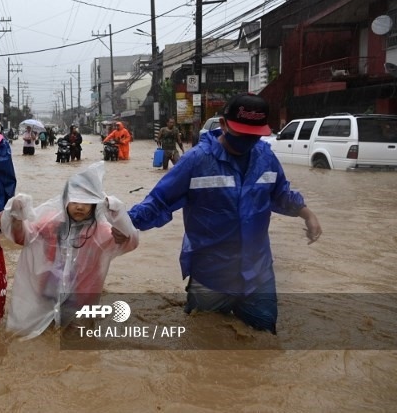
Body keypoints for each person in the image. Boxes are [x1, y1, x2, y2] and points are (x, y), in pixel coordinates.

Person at [126, 94, 322, 334]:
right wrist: (124, 223)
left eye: (255, 134)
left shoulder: (266, 158)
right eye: (242, 133)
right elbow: (158, 202)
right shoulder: (196, 161)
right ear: (223, 124)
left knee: (264, 343)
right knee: (203, 342)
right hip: (211, 274)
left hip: (257, 273)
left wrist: (307, 214)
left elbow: (280, 193)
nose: (249, 141)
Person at [0, 161, 139, 339]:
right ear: (65, 201)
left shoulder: (101, 232)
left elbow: (130, 242)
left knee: (78, 336)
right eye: (75, 200)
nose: (80, 206)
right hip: (49, 290)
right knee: (46, 334)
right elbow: (24, 237)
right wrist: (17, 215)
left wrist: (118, 216)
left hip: (81, 298)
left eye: (86, 202)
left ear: (96, 204)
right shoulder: (51, 224)